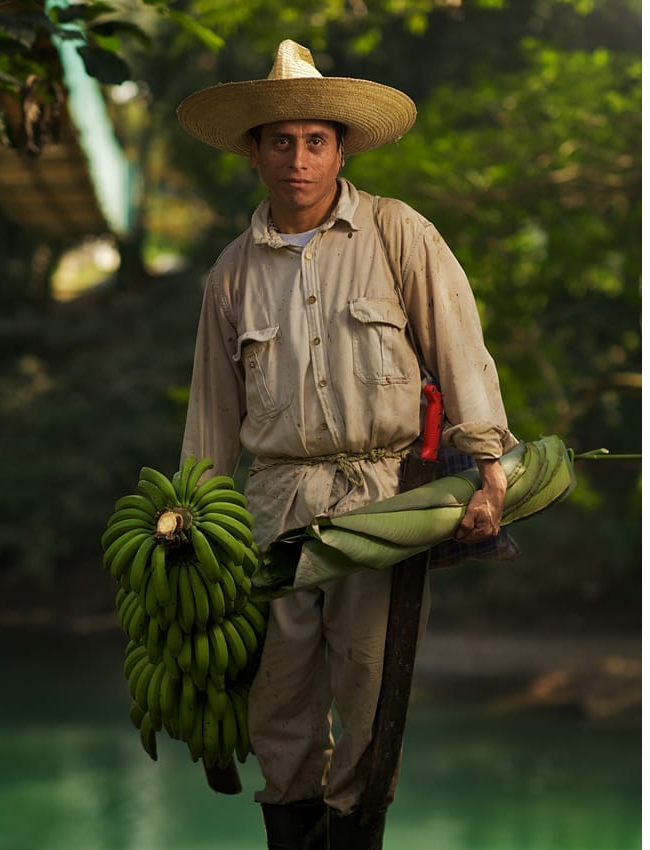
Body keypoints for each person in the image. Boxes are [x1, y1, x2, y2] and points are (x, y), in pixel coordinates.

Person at [176, 38, 518, 850]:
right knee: (280, 707)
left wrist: (490, 475)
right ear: (255, 153)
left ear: (340, 149)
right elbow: (213, 419)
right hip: (271, 511)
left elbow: (460, 352)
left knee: (371, 700)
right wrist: (191, 516)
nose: (299, 158)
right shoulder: (231, 274)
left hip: (382, 503)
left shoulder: (397, 234)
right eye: (281, 142)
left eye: (316, 141)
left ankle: (358, 833)